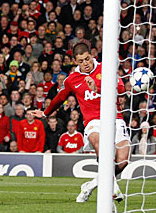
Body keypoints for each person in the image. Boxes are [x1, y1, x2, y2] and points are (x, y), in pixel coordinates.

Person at [38, 42, 130, 202]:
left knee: (123, 160)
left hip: (115, 118)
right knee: (99, 142)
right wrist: (45, 113)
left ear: (92, 55)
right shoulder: (72, 79)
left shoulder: (106, 68)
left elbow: (121, 91)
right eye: (81, 61)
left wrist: (97, 89)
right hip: (93, 121)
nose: (85, 64)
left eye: (87, 59)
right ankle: (113, 187)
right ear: (75, 61)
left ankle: (90, 186)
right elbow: (59, 99)